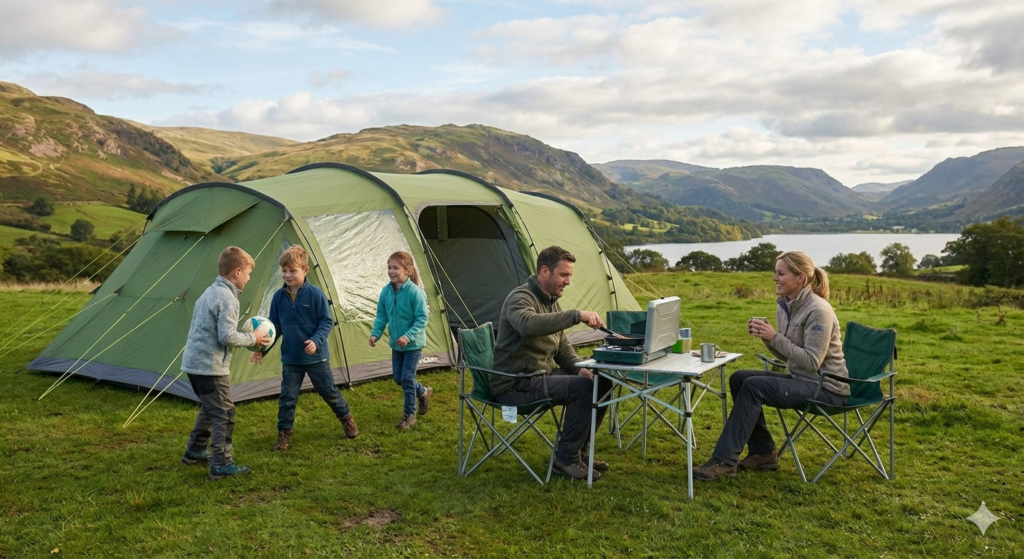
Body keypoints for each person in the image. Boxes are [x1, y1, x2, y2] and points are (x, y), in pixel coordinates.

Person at [693, 250, 851, 481]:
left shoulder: (819, 310)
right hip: (803, 380)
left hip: (827, 388)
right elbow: (788, 357)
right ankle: (764, 452)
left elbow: (811, 361)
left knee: (754, 386)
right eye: (775, 272)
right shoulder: (785, 305)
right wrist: (766, 337)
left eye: (780, 273)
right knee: (740, 378)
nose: (774, 278)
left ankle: (724, 461)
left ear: (801, 279)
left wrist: (774, 336)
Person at [491, 245, 611, 481]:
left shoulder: (551, 301)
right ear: (544, 271)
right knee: (584, 390)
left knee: (601, 381)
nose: (568, 281)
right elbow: (528, 324)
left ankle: (580, 451)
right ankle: (566, 459)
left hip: (538, 377)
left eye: (570, 276)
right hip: (515, 385)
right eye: (564, 275)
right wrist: (577, 315)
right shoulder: (520, 297)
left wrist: (580, 368)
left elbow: (562, 347)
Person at [251, 245, 358, 451]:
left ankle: (346, 418)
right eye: (284, 271)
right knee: (287, 397)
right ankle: (284, 434)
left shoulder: (316, 295)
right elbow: (273, 328)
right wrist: (260, 350)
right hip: (291, 360)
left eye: (292, 271)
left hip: (316, 358)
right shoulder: (278, 297)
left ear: (305, 271)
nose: (287, 275)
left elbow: (326, 323)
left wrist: (315, 341)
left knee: (329, 392)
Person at [180, 246, 270, 481]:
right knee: (225, 414)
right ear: (238, 272)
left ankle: (195, 450)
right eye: (248, 274)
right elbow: (226, 336)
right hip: (210, 367)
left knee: (210, 409)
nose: (249, 279)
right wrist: (255, 338)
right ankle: (221, 463)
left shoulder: (209, 292)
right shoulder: (228, 299)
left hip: (193, 364)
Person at [369, 251, 433, 430]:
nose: (391, 271)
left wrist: (408, 336)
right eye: (389, 267)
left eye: (395, 267)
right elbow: (382, 316)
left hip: (412, 345)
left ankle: (409, 416)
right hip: (397, 345)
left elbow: (422, 319)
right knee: (398, 378)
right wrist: (376, 334)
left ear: (408, 270)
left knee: (406, 378)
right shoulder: (386, 291)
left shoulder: (415, 293)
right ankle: (423, 391)